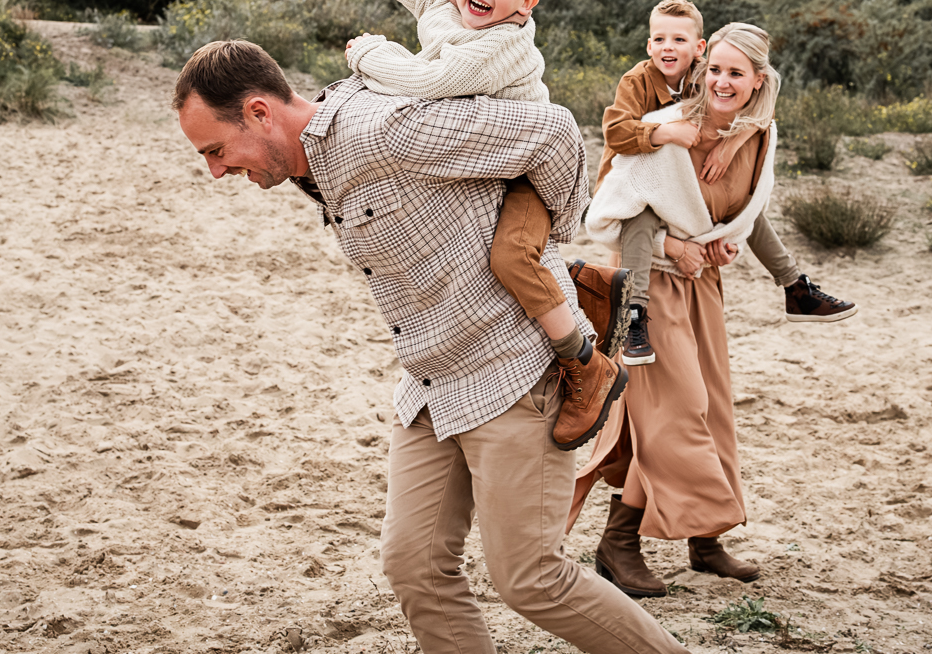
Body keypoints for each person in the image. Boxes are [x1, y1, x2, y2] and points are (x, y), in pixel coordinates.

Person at [173, 40, 687, 654]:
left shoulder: (382, 134)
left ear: (259, 113)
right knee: (413, 564)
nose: (216, 170)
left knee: (532, 579)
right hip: (430, 384)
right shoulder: (317, 156)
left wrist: (535, 247)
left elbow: (553, 136)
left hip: (512, 370)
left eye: (215, 150)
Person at [314, 0, 623, 450]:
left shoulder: (501, 46)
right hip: (479, 158)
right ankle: (586, 284)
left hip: (525, 169)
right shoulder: (444, 0)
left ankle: (586, 362)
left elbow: (427, 83)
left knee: (509, 256)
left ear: (527, 3)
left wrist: (368, 53)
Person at [572, 23, 787, 597]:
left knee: (713, 409)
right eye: (714, 69)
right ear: (701, 66)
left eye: (735, 73)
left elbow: (741, 213)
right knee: (675, 412)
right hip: (650, 289)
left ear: (756, 82)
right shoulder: (663, 131)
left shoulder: (758, 138)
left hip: (704, 286)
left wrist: (725, 240)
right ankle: (619, 542)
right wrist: (674, 246)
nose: (721, 81)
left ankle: (705, 539)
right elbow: (610, 211)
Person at [599, 0, 857, 369]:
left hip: (687, 218)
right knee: (641, 221)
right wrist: (666, 131)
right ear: (648, 44)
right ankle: (634, 315)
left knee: (751, 211)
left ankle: (794, 286)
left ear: (698, 50)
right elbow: (615, 132)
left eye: (679, 40)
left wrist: (731, 145)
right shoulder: (639, 81)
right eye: (659, 39)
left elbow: (757, 107)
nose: (668, 48)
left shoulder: (705, 78)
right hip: (633, 188)